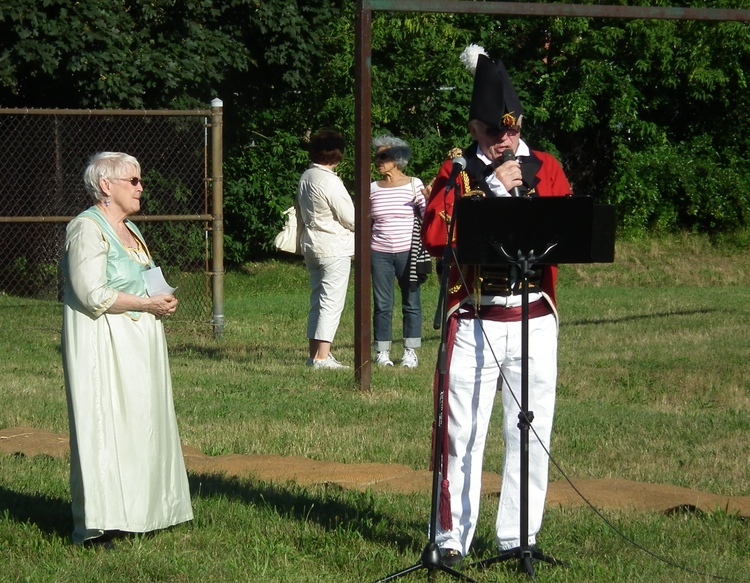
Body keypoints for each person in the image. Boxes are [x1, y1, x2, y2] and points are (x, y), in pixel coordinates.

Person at [422, 45, 573, 565]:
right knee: (461, 433)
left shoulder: (545, 167)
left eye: (510, 130)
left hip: (533, 317)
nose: (503, 140)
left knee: (530, 430)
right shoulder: (458, 170)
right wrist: (488, 190)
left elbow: (567, 231)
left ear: (520, 124)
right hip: (475, 317)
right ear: (474, 128)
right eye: (492, 131)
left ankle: (519, 536)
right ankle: (451, 538)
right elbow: (436, 236)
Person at [61, 152, 193, 545]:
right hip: (104, 343)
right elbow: (91, 293)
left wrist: (162, 298)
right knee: (107, 425)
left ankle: (146, 512)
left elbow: (146, 277)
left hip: (141, 343)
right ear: (106, 185)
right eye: (133, 181)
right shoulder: (86, 229)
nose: (141, 188)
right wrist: (145, 304)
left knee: (142, 424)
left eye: (140, 180)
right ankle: (101, 523)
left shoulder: (131, 230)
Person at [297, 129, 355, 370]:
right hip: (333, 246)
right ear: (337, 155)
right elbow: (351, 218)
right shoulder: (330, 180)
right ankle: (322, 357)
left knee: (317, 300)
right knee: (331, 302)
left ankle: (314, 354)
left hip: (311, 244)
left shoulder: (306, 176)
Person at [370, 135, 427, 368]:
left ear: (398, 159)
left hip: (408, 252)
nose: (378, 161)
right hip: (379, 253)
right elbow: (366, 221)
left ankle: (410, 352)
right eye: (377, 157)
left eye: (383, 156)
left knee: (411, 302)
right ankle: (382, 352)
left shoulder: (414, 184)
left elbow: (426, 217)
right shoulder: (372, 188)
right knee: (382, 304)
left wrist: (428, 200)